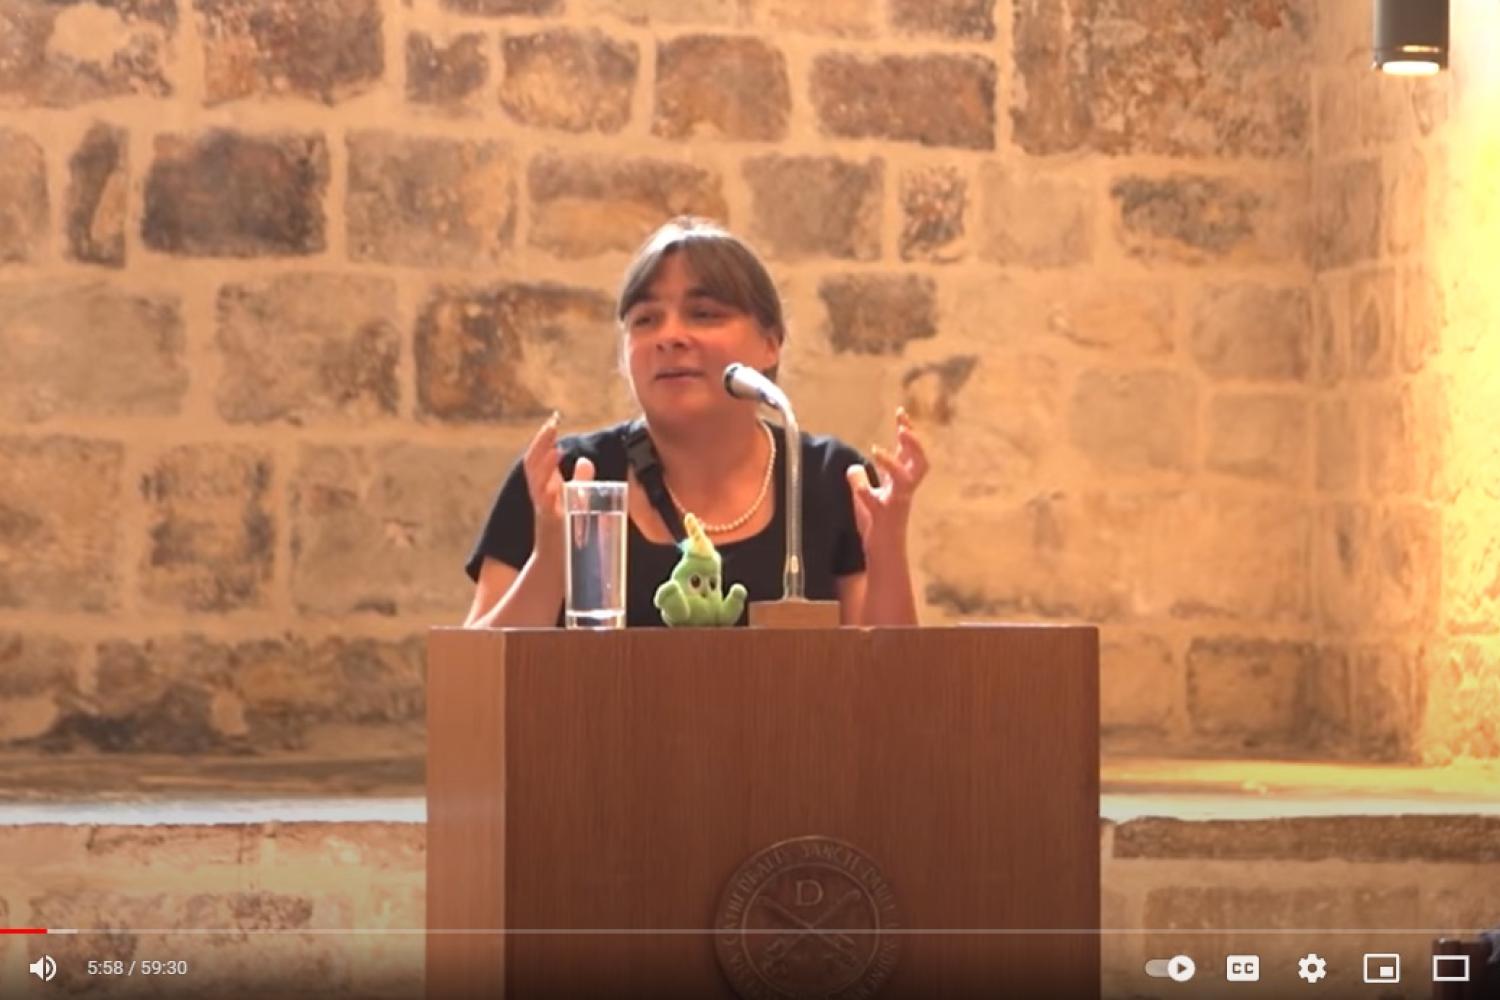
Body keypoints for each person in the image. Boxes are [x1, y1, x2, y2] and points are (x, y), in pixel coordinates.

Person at [463, 217, 928, 628]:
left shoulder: (829, 479)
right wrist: (551, 557)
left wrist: (886, 547)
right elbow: (473, 684)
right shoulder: (567, 481)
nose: (669, 337)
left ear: (770, 343)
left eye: (703, 315)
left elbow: (887, 690)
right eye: (646, 320)